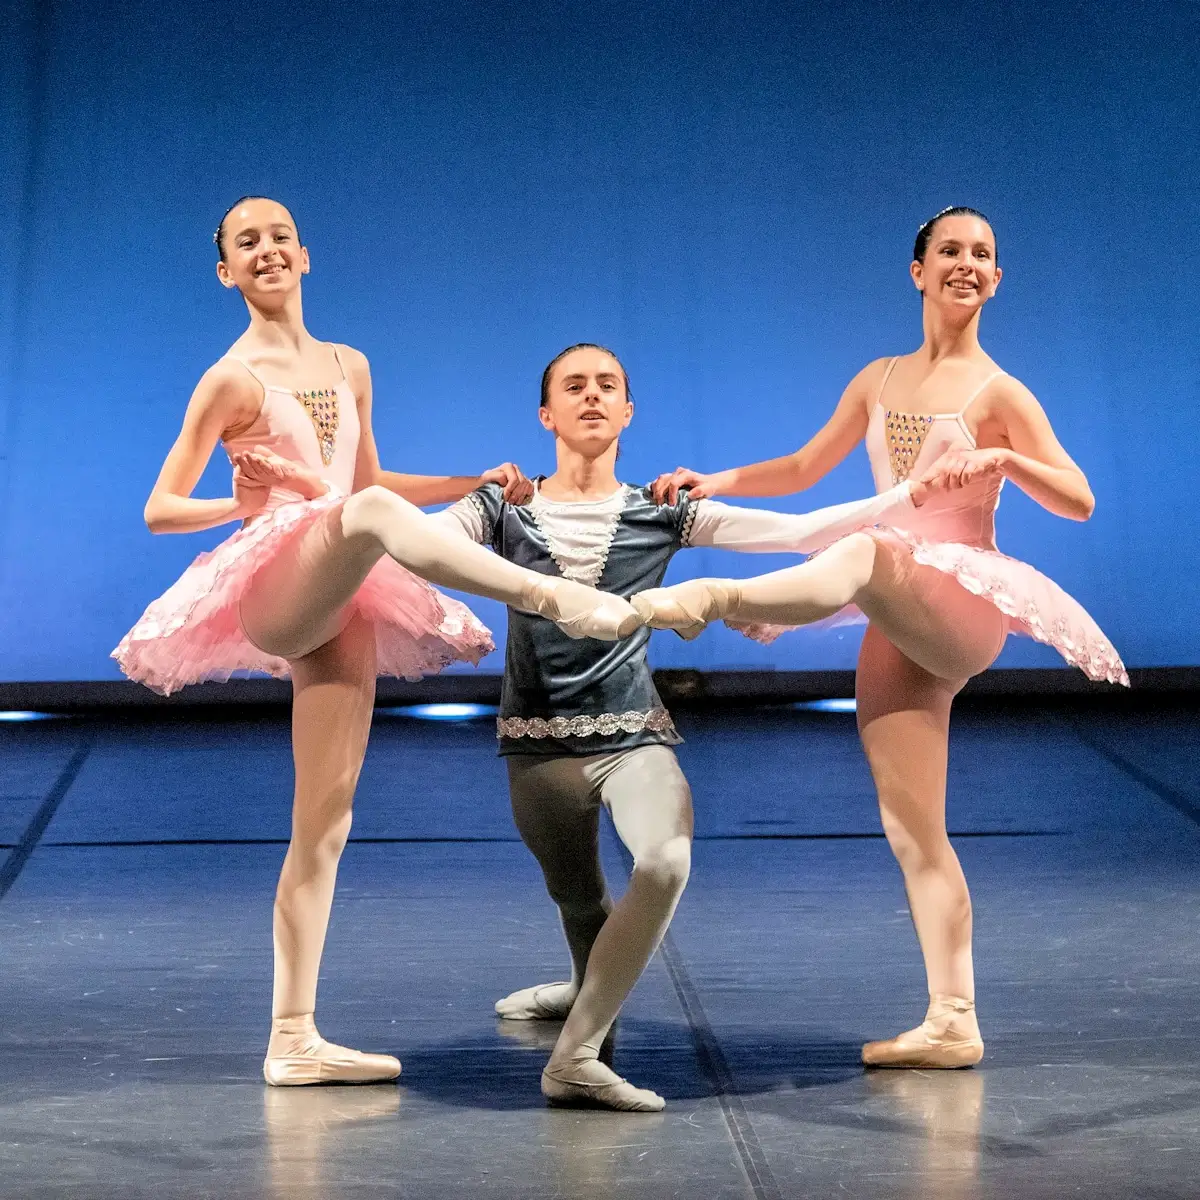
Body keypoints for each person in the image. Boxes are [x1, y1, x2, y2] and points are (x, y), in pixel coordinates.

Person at [113, 198, 636, 1086]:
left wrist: (472, 481)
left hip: (345, 590)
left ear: (306, 255)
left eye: (280, 236)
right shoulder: (230, 380)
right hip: (277, 586)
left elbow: (372, 485)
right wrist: (241, 506)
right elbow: (161, 508)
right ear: (225, 273)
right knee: (362, 517)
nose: (267, 250)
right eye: (248, 243)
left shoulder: (350, 366)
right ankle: (552, 597)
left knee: (325, 818)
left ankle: (293, 1036)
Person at [639, 208, 1128, 1069]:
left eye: (982, 255)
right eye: (950, 252)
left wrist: (1002, 461)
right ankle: (953, 1019)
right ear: (917, 271)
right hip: (900, 610)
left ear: (998, 280)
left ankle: (715, 597)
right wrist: (708, 482)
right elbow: (801, 471)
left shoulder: (1001, 394)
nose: (966, 265)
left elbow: (1080, 497)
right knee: (912, 828)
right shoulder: (879, 379)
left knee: (862, 548)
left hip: (964, 602)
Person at [431, 342, 921, 1109]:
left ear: (628, 412)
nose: (591, 396)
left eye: (608, 386)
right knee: (579, 898)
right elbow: (425, 545)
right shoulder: (505, 509)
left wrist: (916, 491)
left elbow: (796, 533)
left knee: (664, 862)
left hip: (633, 735)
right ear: (545, 414)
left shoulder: (660, 510)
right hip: (536, 743)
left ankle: (575, 1057)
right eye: (574, 386)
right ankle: (581, 990)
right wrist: (470, 491)